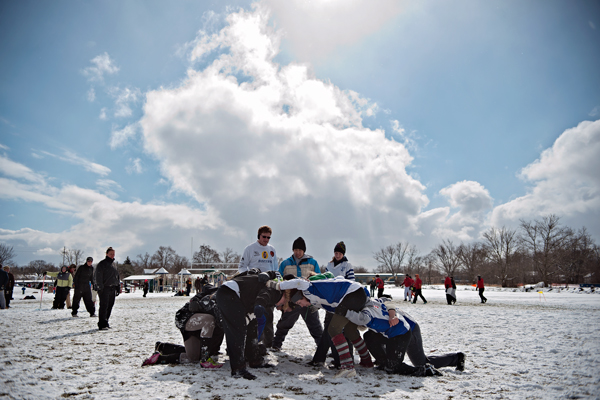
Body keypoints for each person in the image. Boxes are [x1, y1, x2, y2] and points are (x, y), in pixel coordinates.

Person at [279, 275, 373, 378]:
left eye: (299, 302)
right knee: (349, 330)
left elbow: (298, 282)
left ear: (301, 296)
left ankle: (348, 367)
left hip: (352, 294)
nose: (301, 305)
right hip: (356, 294)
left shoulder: (308, 289)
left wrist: (278, 285)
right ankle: (367, 361)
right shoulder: (315, 300)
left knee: (333, 329)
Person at [341, 298, 465, 376]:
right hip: (393, 331)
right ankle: (384, 362)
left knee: (421, 363)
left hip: (409, 329)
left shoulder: (371, 306)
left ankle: (456, 358)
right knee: (370, 336)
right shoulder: (369, 305)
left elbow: (388, 301)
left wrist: (393, 315)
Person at [215, 270, 283, 380]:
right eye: (282, 306)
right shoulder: (276, 291)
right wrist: (259, 305)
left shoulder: (275, 286)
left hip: (239, 296)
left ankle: (254, 359)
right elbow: (264, 294)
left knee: (252, 326)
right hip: (229, 293)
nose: (279, 308)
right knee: (237, 331)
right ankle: (238, 369)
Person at [142, 284, 224, 367]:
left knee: (193, 358)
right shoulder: (219, 294)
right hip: (186, 318)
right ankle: (205, 359)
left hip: (197, 322)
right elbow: (222, 323)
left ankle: (162, 351)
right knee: (209, 320)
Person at [271, 237, 323, 351]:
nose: (297, 252)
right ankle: (276, 344)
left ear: (304, 250)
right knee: (284, 323)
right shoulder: (285, 263)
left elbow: (319, 280)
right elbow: (279, 280)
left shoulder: (312, 263)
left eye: (300, 250)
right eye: (295, 250)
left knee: (315, 325)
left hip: (307, 300)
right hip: (290, 301)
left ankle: (322, 346)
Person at [310, 241, 356, 370]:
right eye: (336, 253)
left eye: (340, 253)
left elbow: (351, 283)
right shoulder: (329, 265)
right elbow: (325, 280)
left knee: (341, 329)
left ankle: (343, 359)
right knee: (328, 328)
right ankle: (325, 358)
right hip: (329, 301)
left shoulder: (347, 265)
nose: (337, 255)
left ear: (343, 254)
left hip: (342, 301)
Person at [237, 225, 279, 348]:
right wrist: (250, 277)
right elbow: (242, 266)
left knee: (269, 314)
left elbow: (275, 268)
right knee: (253, 314)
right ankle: (251, 342)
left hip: (269, 286)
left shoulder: (272, 250)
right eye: (264, 237)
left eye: (268, 237)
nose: (266, 239)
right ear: (258, 236)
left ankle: (268, 343)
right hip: (254, 286)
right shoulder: (250, 248)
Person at [94, 247, 120, 330]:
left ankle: (106, 321)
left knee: (110, 305)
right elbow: (98, 276)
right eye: (110, 254)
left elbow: (117, 276)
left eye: (113, 254)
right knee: (104, 306)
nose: (112, 255)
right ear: (106, 254)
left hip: (112, 288)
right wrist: (100, 287)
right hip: (104, 288)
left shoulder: (114, 264)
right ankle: (102, 323)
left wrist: (118, 286)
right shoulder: (102, 264)